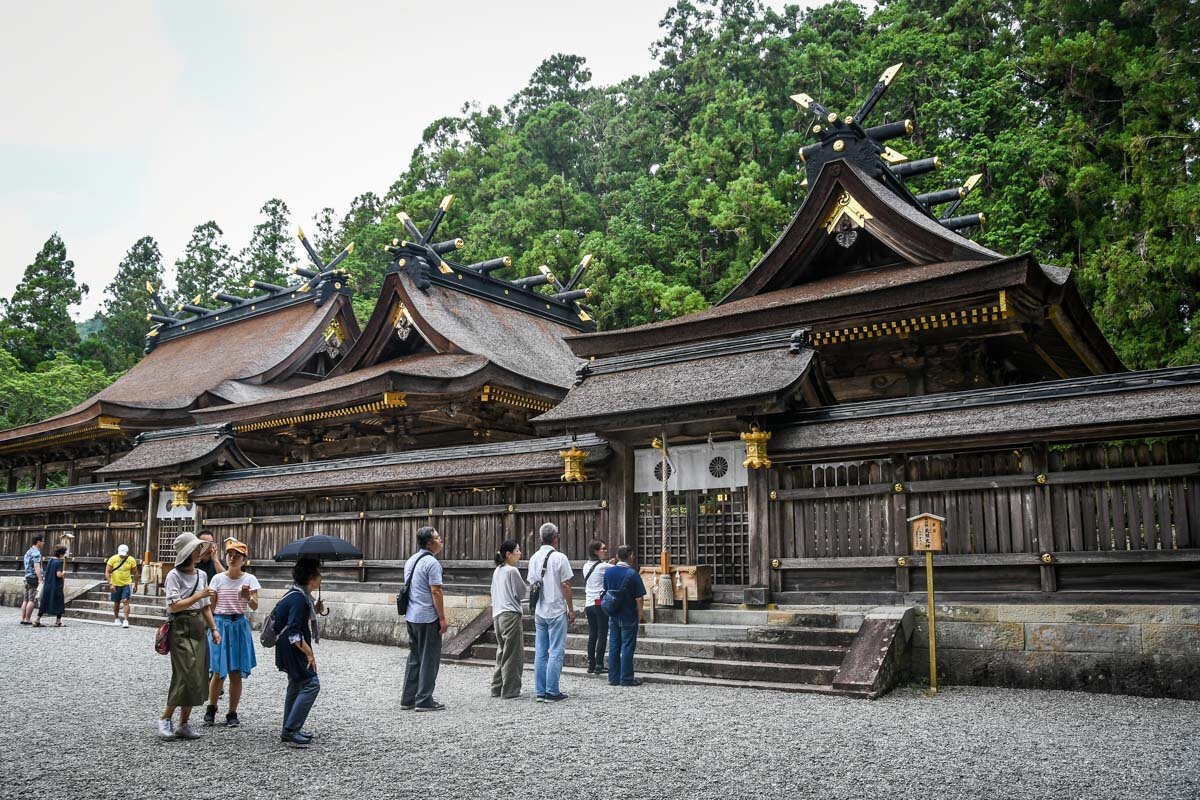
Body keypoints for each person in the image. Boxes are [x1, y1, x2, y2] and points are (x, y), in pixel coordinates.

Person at [158, 532, 221, 741]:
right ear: (187, 553)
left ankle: (183, 723)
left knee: (197, 674)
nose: (198, 552)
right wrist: (198, 595)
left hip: (198, 626)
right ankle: (165, 718)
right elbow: (173, 605)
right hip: (180, 626)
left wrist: (213, 628)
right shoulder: (173, 576)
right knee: (185, 674)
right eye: (195, 549)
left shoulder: (201, 575)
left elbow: (204, 607)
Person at [203, 540, 260, 727]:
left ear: (244, 559)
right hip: (221, 623)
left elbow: (254, 606)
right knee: (218, 671)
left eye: (237, 555)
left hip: (239, 624)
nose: (233, 558)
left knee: (235, 672)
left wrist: (248, 596)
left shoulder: (249, 579)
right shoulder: (218, 579)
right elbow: (211, 606)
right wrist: (212, 628)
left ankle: (232, 712)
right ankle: (211, 708)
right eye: (229, 555)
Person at [273, 558, 323, 747]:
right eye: (318, 573)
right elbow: (294, 632)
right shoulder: (299, 599)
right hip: (293, 648)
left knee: (295, 684)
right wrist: (309, 653)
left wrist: (316, 609)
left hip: (285, 647)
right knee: (311, 683)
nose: (320, 577)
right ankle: (291, 729)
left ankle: (289, 726)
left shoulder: (296, 595)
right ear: (311, 577)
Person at [401, 526, 448, 712]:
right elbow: (436, 590)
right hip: (427, 616)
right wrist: (442, 618)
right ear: (430, 543)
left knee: (415, 657)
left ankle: (408, 698)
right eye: (438, 538)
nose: (441, 541)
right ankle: (424, 699)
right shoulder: (432, 563)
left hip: (411, 615)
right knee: (429, 658)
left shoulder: (411, 560)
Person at [527, 522, 574, 703]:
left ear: (541, 538)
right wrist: (571, 609)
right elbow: (565, 584)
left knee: (540, 651)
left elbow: (532, 583)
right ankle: (552, 690)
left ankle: (540, 691)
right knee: (555, 651)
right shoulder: (560, 558)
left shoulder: (533, 558)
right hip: (556, 608)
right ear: (556, 537)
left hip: (540, 608)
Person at [604, 545, 646, 687]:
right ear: (629, 556)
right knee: (627, 646)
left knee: (614, 646)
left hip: (613, 614)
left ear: (617, 556)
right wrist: (641, 614)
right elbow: (639, 598)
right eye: (632, 555)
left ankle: (613, 677)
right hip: (628, 614)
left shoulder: (609, 572)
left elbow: (606, 591)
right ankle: (626, 678)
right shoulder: (632, 574)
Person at [489, 539, 526, 699]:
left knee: (502, 651)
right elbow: (521, 593)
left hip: (497, 614)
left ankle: (497, 687)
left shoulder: (498, 570)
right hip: (510, 614)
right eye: (517, 550)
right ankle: (510, 690)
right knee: (513, 654)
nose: (519, 553)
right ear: (508, 554)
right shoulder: (512, 571)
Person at [582, 540, 614, 675]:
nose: (605, 551)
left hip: (589, 603)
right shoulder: (603, 567)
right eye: (603, 549)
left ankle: (591, 664)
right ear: (596, 551)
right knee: (602, 633)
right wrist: (611, 564)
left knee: (592, 634)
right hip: (599, 603)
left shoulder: (585, 566)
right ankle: (599, 664)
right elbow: (616, 568)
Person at [105, 544, 139, 628]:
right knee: (116, 603)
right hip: (115, 584)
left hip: (126, 584)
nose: (122, 555)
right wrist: (110, 584)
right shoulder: (113, 559)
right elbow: (107, 572)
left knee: (126, 601)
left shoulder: (131, 560)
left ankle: (126, 620)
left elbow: (135, 573)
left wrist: (136, 585)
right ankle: (116, 618)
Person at [34, 545, 67, 627]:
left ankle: (37, 619)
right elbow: (58, 575)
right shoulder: (58, 562)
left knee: (45, 602)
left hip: (48, 584)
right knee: (59, 602)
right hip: (56, 586)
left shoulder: (50, 561)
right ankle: (58, 621)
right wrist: (63, 573)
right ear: (61, 554)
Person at [20, 535, 44, 626]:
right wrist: (40, 578)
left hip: (26, 576)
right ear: (38, 542)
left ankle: (23, 618)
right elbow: (36, 566)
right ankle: (27, 619)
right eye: (42, 541)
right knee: (31, 599)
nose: (43, 543)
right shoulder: (36, 553)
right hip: (33, 577)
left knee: (25, 599)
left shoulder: (28, 551)